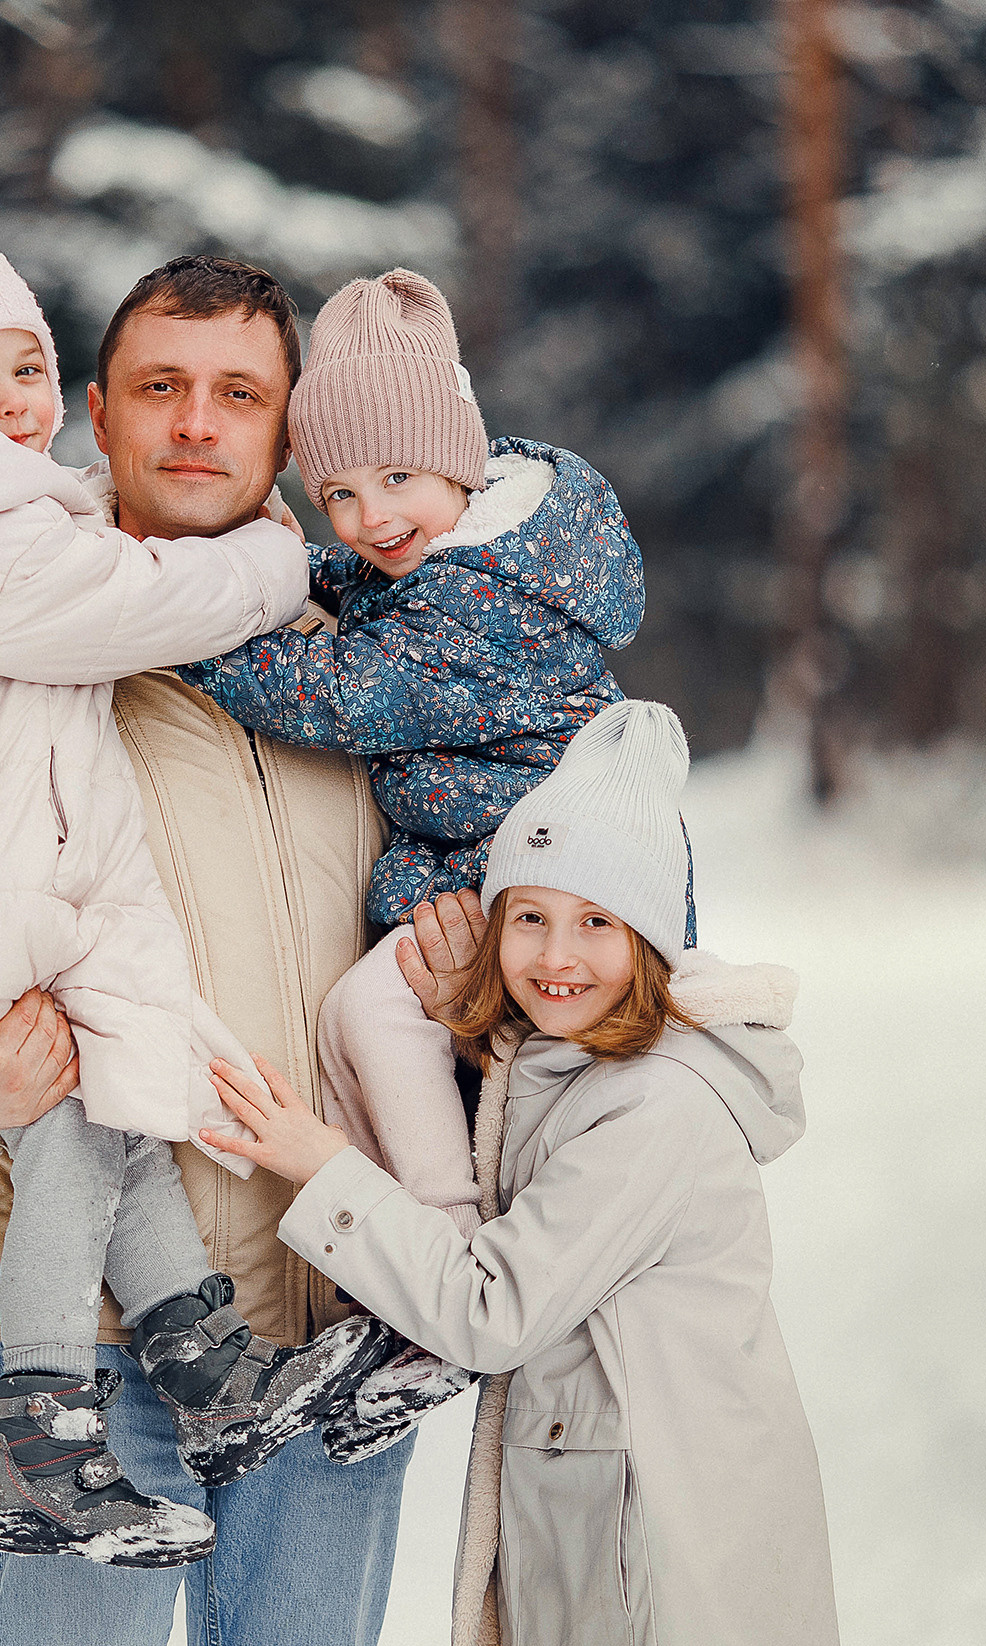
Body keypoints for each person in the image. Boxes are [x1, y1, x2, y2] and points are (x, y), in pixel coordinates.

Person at [0, 248, 422, 1646]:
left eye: (236, 393)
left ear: (288, 430)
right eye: (161, 387)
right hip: (75, 1345)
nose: (197, 424)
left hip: (328, 1319)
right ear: (96, 411)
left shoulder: (367, 668)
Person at [205, 701, 845, 1646]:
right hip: (605, 1520)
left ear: (652, 945)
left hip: (654, 1545)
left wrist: (320, 1164)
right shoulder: (573, 1067)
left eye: (597, 922)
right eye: (531, 917)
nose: (556, 955)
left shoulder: (654, 1109)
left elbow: (490, 1305)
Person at [176, 268, 691, 1456]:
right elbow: (348, 580)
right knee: (360, 1032)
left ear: (456, 464)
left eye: (395, 479)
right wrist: (284, 565)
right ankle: (388, 1290)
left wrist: (184, 624)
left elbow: (346, 693)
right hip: (490, 870)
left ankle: (438, 1266)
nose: (365, 518)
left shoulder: (482, 601)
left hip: (537, 891)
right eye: (337, 490)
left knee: (369, 1007)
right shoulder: (469, 542)